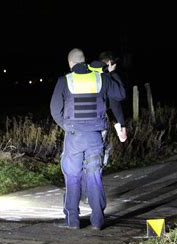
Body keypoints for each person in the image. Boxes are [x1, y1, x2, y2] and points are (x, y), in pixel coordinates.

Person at [50, 48, 126, 230]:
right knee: (93, 176)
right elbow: (120, 95)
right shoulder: (100, 78)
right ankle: (98, 220)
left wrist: (68, 126)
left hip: (74, 137)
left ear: (70, 63)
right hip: (95, 136)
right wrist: (110, 72)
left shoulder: (65, 81)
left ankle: (73, 220)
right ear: (84, 61)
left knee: (73, 176)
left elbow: (55, 110)